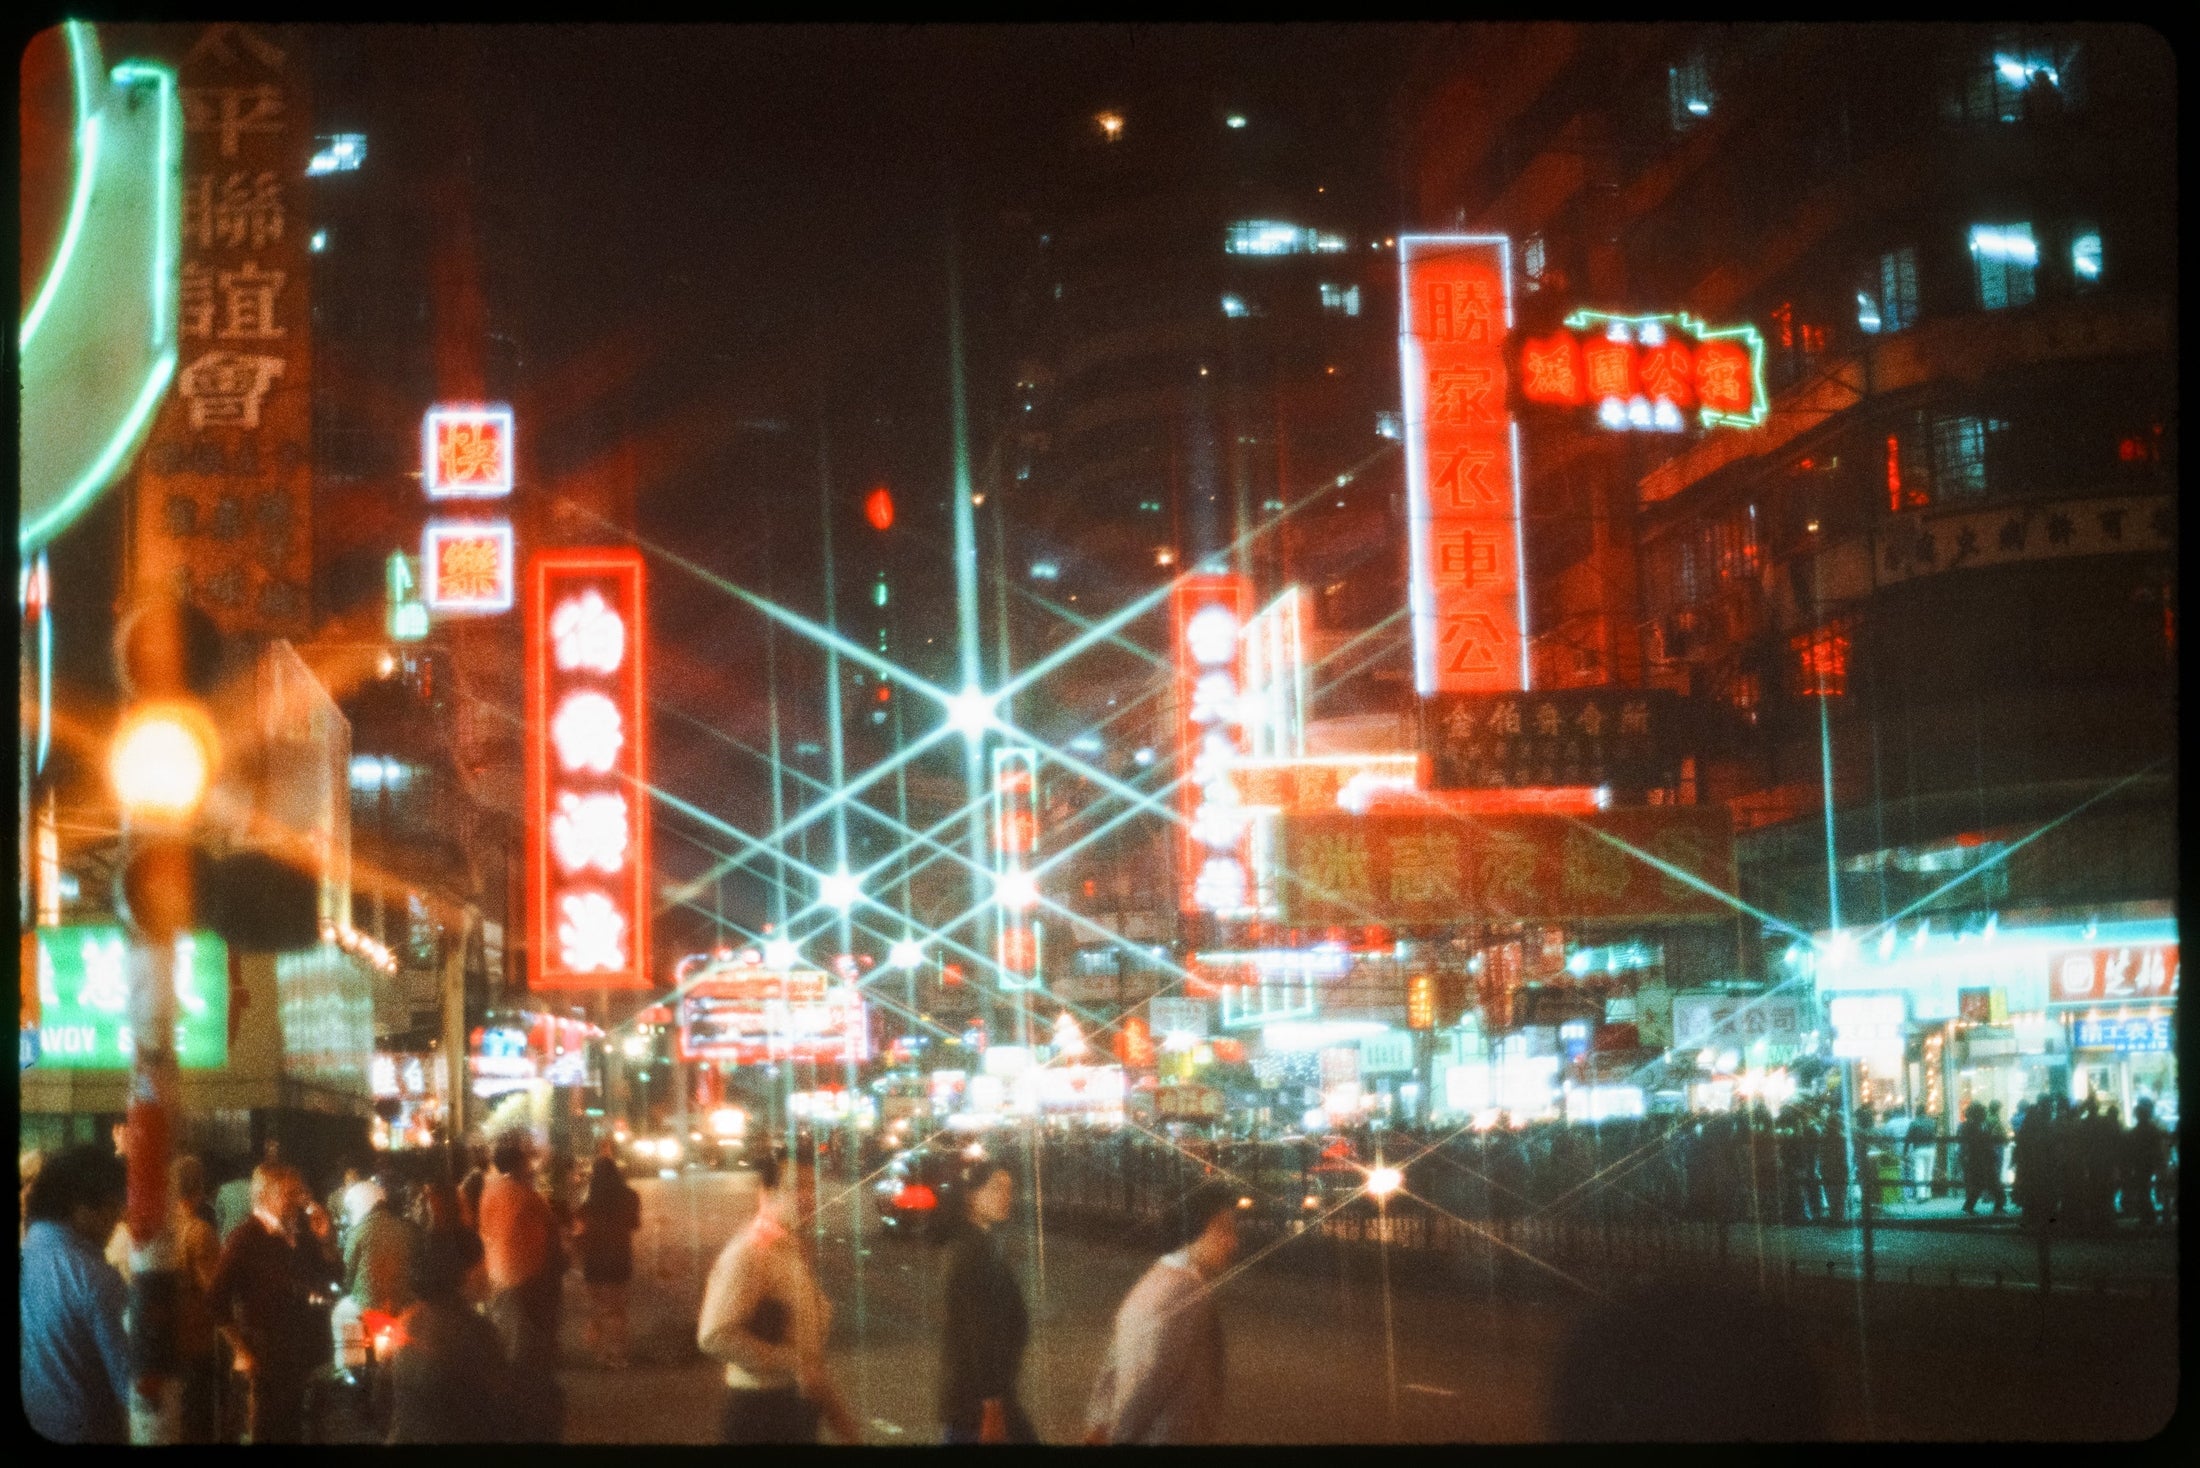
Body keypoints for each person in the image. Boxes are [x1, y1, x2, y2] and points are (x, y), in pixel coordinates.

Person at [696, 1149, 861, 1444]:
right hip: (760, 1412)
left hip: (794, 1407)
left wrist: (838, 1417)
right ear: (766, 1193)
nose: (807, 1196)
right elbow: (715, 1335)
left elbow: (806, 1348)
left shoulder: (789, 1249)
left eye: (811, 1186)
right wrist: (794, 1363)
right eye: (795, 1186)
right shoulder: (750, 1252)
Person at [1083, 1182, 1240, 1445]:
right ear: (1193, 1229)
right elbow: (1153, 1382)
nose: (1233, 1242)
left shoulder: (1152, 1280)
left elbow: (1113, 1363)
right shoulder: (1187, 1292)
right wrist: (1121, 1437)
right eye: (1223, 1229)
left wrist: (1098, 1423)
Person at [207, 1163, 342, 1445]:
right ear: (264, 1195)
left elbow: (331, 1280)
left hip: (303, 1356)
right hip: (266, 1362)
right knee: (269, 1433)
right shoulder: (244, 1238)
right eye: (289, 1193)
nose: (298, 1201)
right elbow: (215, 1302)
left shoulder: (301, 1235)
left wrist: (327, 1242)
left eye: (299, 1193)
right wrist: (242, 1351)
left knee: (298, 1432)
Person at [20, 1145, 133, 1443]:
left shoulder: (26, 1254)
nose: (117, 1219)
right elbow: (132, 1386)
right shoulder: (95, 1278)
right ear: (80, 1206)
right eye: (112, 1206)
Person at [386, 1228, 522, 1442]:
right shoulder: (474, 1333)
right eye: (482, 1261)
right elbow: (500, 1411)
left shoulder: (410, 1320)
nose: (488, 1270)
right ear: (463, 1273)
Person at [938, 1160, 1035, 1444]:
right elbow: (978, 1334)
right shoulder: (973, 1252)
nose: (1005, 1196)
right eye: (995, 1188)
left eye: (1009, 1189)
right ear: (971, 1196)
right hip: (977, 1406)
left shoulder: (979, 1243)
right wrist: (991, 1406)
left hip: (977, 1401)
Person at [477, 1132, 565, 1439]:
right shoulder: (524, 1195)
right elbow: (552, 1232)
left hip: (499, 1282)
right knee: (527, 1351)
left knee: (512, 1345)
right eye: (528, 1160)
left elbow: (485, 1234)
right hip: (527, 1282)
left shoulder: (491, 1192)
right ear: (519, 1164)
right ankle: (528, 1415)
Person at [573, 1154, 642, 1368]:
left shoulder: (588, 1203)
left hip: (593, 1260)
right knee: (618, 1309)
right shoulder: (631, 1197)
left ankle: (599, 1354)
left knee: (595, 1309)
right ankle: (618, 1355)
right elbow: (635, 1225)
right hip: (620, 1258)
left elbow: (579, 1232)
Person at [345, 1172, 421, 1320]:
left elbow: (347, 1272)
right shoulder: (406, 1228)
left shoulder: (358, 1232)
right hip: (401, 1308)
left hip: (366, 1310)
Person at [2123, 1098, 2167, 1223]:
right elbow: (2158, 1147)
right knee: (2145, 1189)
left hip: (2140, 1163)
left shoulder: (2136, 1131)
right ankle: (2149, 1215)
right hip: (2149, 1162)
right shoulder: (2153, 1129)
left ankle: (2147, 1215)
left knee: (2143, 1189)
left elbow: (2131, 1148)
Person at [1958, 1102, 2005, 1216]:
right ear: (1977, 1114)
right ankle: (1996, 1207)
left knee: (1984, 1184)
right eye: (1982, 1112)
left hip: (1984, 1159)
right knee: (1987, 1184)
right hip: (1976, 1159)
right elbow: (1967, 1143)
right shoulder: (1968, 1126)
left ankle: (1970, 1206)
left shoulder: (1983, 1125)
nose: (1985, 1114)